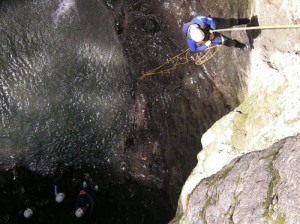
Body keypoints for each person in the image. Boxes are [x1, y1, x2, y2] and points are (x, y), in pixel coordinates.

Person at [182, 15, 250, 52]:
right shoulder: (190, 40)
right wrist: (206, 45)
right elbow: (194, 49)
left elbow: (212, 21)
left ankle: (245, 21)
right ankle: (239, 45)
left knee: (230, 23)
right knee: (229, 43)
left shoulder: (200, 20)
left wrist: (213, 30)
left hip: (213, 25)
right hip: (209, 37)